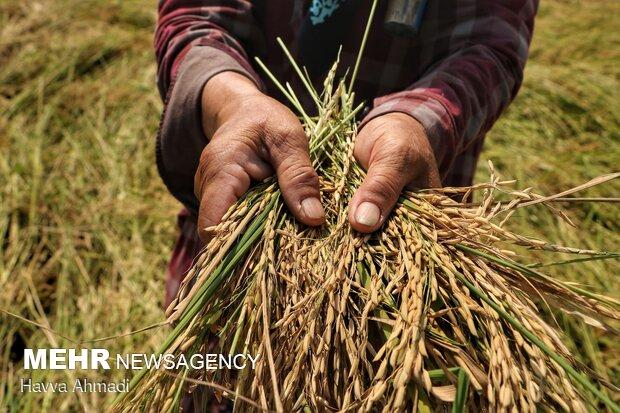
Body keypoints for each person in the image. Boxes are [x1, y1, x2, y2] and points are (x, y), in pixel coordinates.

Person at [155, 0, 538, 307]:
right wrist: (235, 106)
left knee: (376, 373)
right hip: (244, 197)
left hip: (395, 236)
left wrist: (414, 121)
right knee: (218, 379)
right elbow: (195, 19)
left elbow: (489, 46)